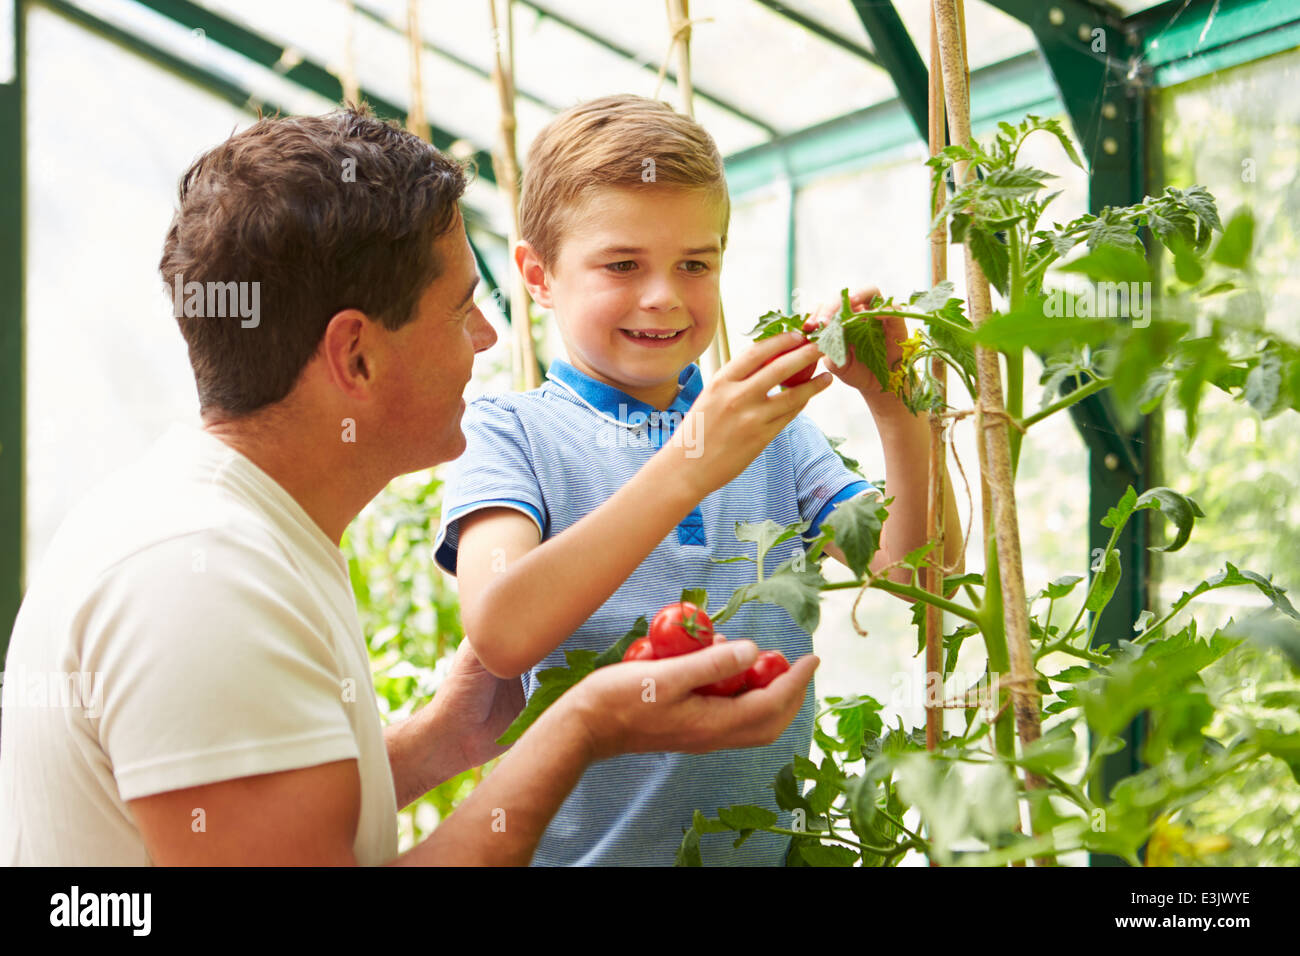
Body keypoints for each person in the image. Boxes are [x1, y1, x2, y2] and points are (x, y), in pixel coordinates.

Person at [0, 107, 819, 866]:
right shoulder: (199, 581)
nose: (488, 335)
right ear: (355, 356)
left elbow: (292, 828)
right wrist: (576, 730)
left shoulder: (230, 534)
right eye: (461, 307)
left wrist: (442, 741)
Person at [432, 94, 963, 865]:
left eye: (695, 263)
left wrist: (896, 406)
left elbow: (923, 572)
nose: (664, 296)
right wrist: (689, 463)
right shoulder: (509, 432)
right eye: (622, 265)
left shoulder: (770, 432)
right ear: (537, 275)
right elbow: (504, 631)